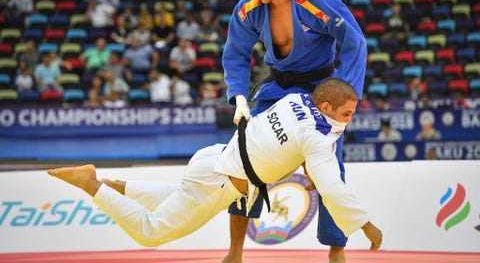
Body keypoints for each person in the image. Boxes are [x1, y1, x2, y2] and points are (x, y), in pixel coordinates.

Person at [47, 78, 382, 252]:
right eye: (347, 114)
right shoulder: (320, 139)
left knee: (177, 195)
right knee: (151, 233)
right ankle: (92, 183)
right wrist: (365, 225)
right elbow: (332, 188)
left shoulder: (293, 100)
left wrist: (309, 168)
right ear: (326, 106)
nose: (348, 122)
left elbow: (289, 143)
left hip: (212, 156)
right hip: (222, 182)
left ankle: (115, 186)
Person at [221, 0, 367, 263]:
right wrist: (240, 97)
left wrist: (347, 96)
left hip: (319, 88)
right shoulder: (250, 7)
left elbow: (355, 41)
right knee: (242, 159)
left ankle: (336, 249)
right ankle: (235, 252)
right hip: (277, 86)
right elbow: (235, 53)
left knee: (329, 166)